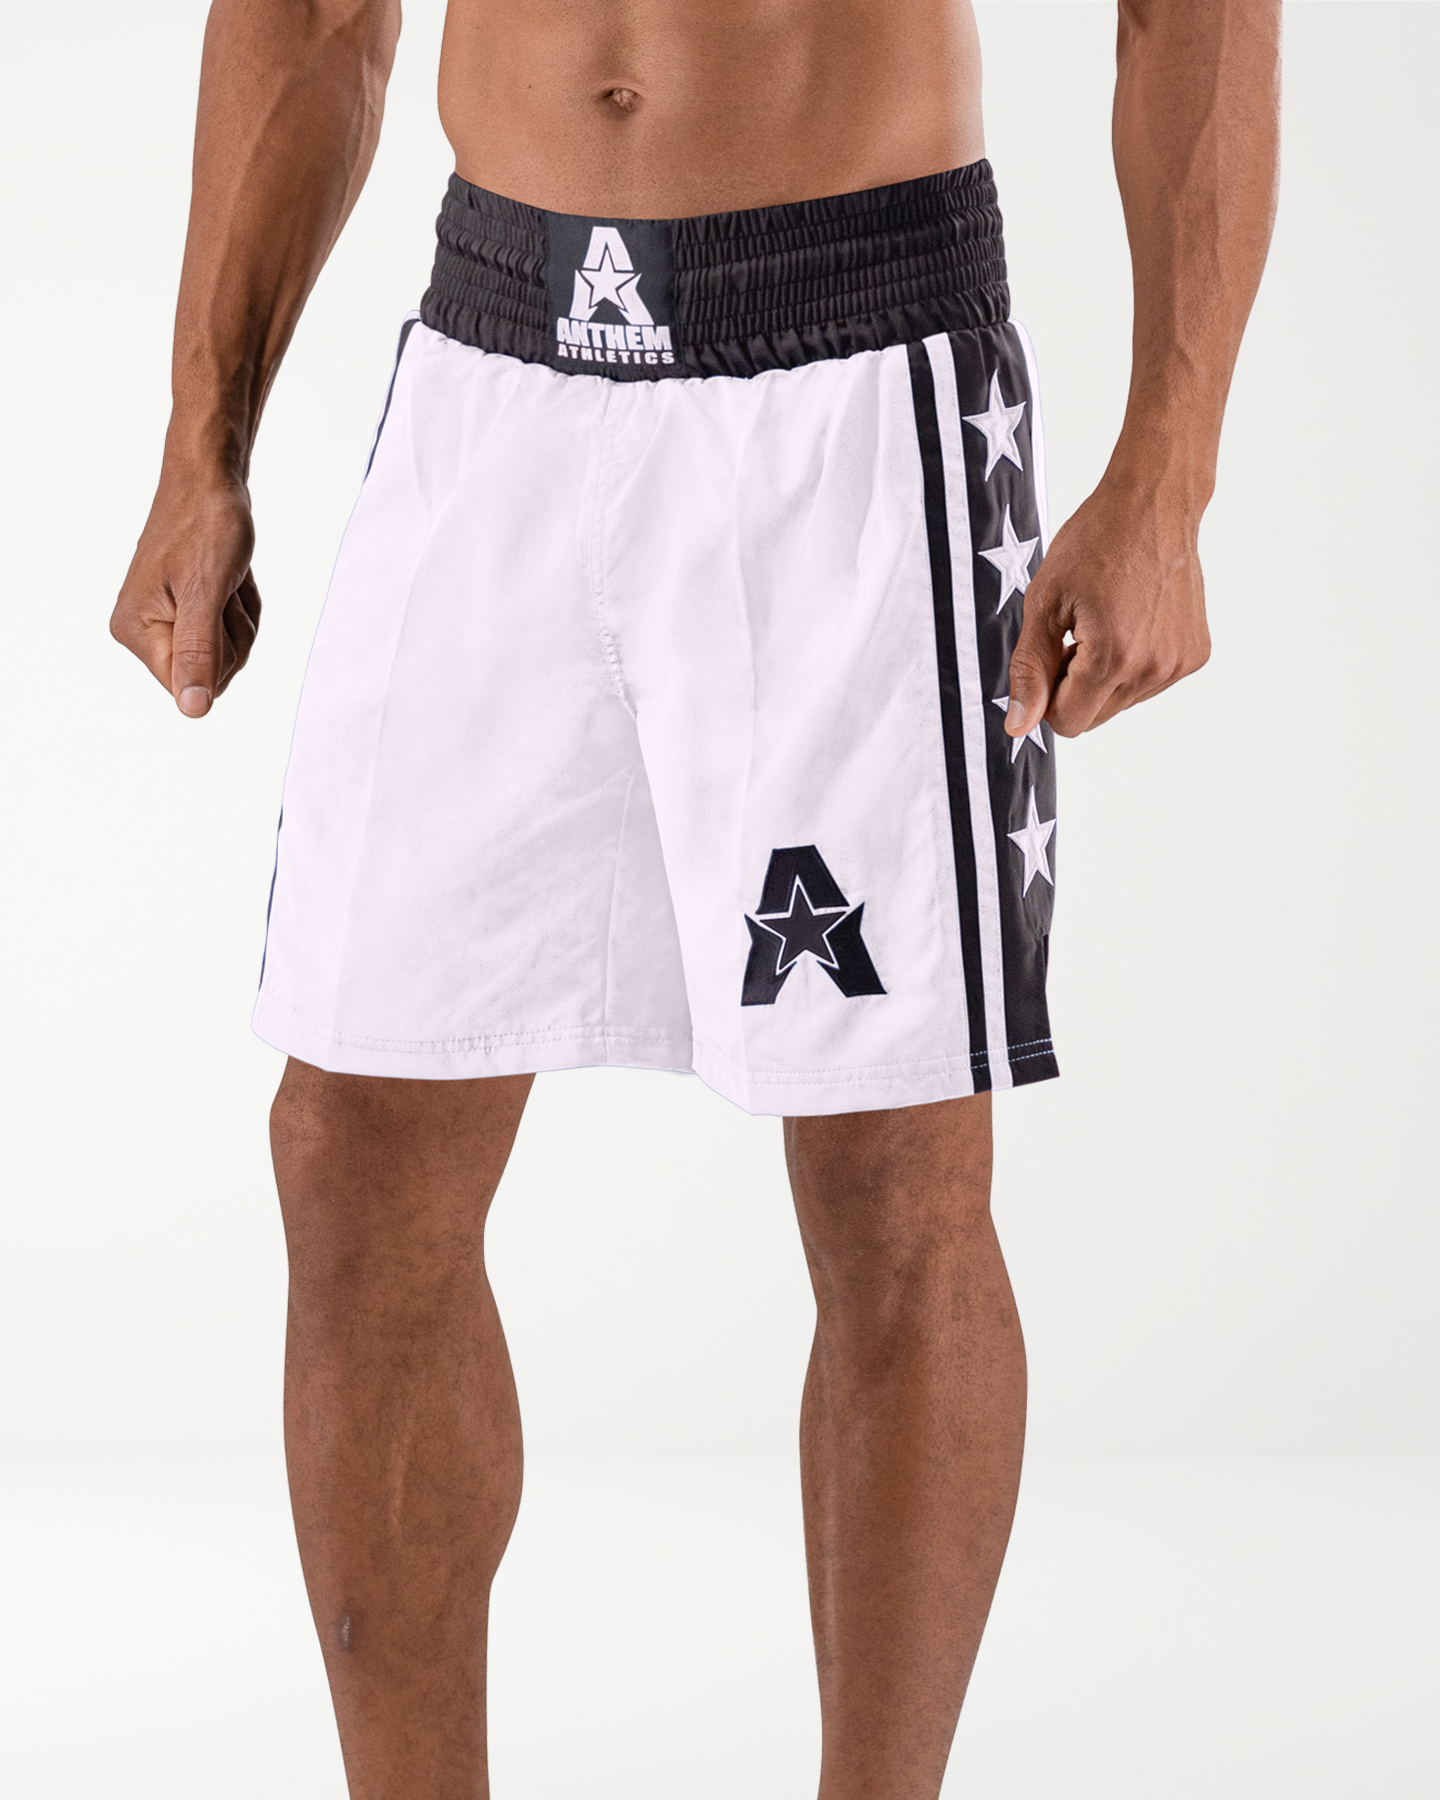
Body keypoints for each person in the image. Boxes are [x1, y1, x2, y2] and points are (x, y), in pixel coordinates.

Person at [110, 0, 1279, 1792]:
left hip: (854, 370)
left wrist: (1172, 469)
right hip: (495, 359)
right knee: (346, 1149)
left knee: (892, 1183)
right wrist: (205, 442)